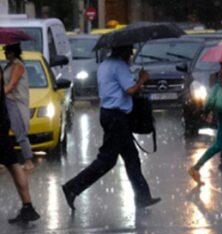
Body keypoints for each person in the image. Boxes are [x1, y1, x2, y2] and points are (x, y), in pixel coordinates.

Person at [62, 45, 161, 210]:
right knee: (107, 161)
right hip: (116, 118)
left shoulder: (105, 64)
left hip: (109, 114)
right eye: (129, 51)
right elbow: (129, 90)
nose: (130, 54)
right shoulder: (119, 65)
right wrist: (142, 80)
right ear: (121, 50)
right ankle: (72, 187)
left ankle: (143, 196)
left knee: (132, 158)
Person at [1, 72, 38, 223]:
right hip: (2, 122)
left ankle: (28, 207)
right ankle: (28, 207)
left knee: (14, 166)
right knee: (13, 165)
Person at [3, 44, 33, 170]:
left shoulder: (18, 66)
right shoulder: (9, 65)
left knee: (20, 133)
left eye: (7, 51)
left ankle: (28, 161)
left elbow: (12, 84)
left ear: (13, 52)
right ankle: (5, 160)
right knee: (3, 132)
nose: (5, 53)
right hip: (7, 102)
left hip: (16, 103)